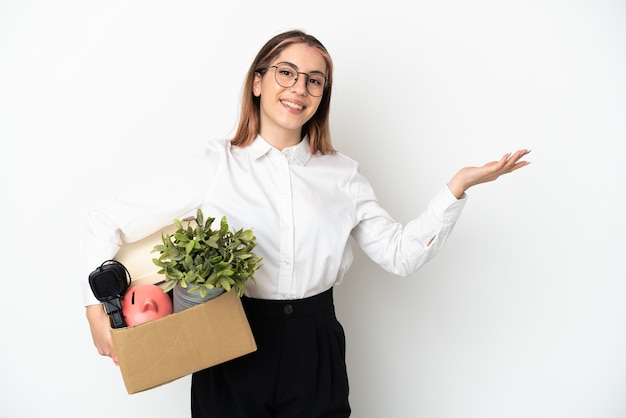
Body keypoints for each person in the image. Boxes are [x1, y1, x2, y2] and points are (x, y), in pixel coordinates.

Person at [82, 29, 530, 417]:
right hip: (229, 337)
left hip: (315, 345)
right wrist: (96, 308)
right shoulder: (215, 164)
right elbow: (107, 219)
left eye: (315, 81)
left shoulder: (343, 175)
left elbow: (400, 256)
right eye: (286, 72)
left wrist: (457, 188)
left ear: (322, 97)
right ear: (257, 82)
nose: (300, 88)